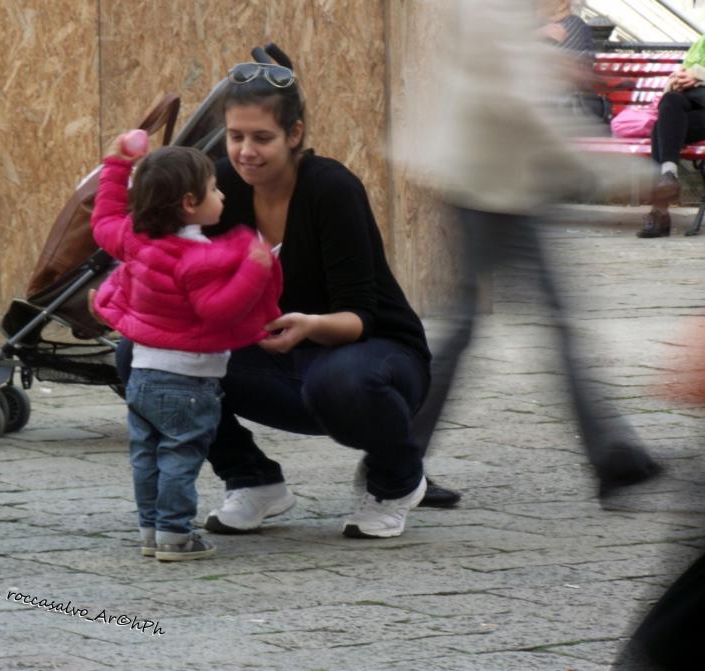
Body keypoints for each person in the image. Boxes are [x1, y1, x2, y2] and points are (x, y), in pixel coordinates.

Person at [118, 55, 445, 539]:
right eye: (235, 136)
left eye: (262, 138)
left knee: (341, 381)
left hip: (368, 357)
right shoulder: (221, 188)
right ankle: (252, 479)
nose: (246, 151)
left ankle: (396, 480)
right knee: (142, 356)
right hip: (274, 356)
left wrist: (310, 326)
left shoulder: (331, 189)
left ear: (294, 134)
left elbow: (360, 314)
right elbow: (167, 256)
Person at [399, 0, 662, 503]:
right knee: (491, 326)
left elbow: (506, 71)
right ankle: (397, 459)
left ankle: (399, 458)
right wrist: (627, 177)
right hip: (490, 184)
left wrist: (544, 63)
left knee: (488, 327)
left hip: (499, 178)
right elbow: (517, 102)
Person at [89, 139, 282, 561]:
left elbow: (103, 220)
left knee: (147, 455)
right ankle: (175, 534)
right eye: (215, 189)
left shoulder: (134, 239)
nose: (223, 195)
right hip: (188, 379)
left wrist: (117, 165)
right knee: (180, 456)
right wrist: (254, 267)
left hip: (141, 373)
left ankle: (150, 528)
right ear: (191, 203)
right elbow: (218, 311)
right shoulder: (198, 258)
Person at [639, 34, 705, 238]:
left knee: (662, 127)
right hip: (693, 107)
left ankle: (660, 212)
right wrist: (676, 82)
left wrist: (699, 75)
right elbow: (682, 72)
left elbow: (695, 72)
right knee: (669, 103)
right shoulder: (702, 42)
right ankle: (668, 176)